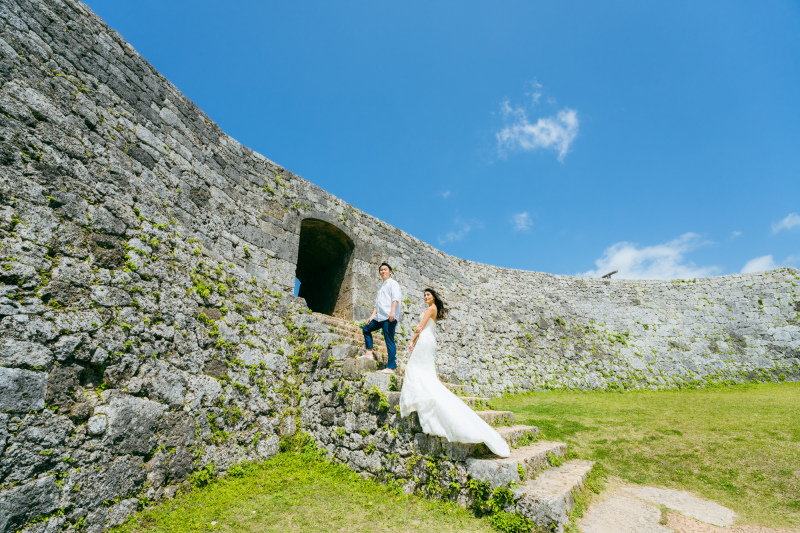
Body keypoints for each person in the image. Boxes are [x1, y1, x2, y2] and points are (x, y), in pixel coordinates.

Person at [399, 288, 510, 457]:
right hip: (429, 340)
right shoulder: (433, 309)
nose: (425, 297)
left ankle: (420, 394)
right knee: (423, 370)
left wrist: (412, 341)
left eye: (428, 295)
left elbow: (420, 327)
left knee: (415, 368)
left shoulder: (430, 308)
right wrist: (416, 338)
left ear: (433, 297)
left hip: (425, 339)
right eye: (424, 295)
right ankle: (421, 392)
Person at [361, 262, 401, 375]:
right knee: (366, 328)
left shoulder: (393, 283)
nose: (383, 271)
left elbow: (396, 298)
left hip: (389, 316)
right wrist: (372, 316)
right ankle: (369, 353)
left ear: (390, 271)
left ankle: (391, 367)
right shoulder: (381, 286)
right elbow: (377, 304)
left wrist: (393, 311)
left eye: (385, 269)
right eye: (381, 270)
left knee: (389, 340)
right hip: (379, 317)